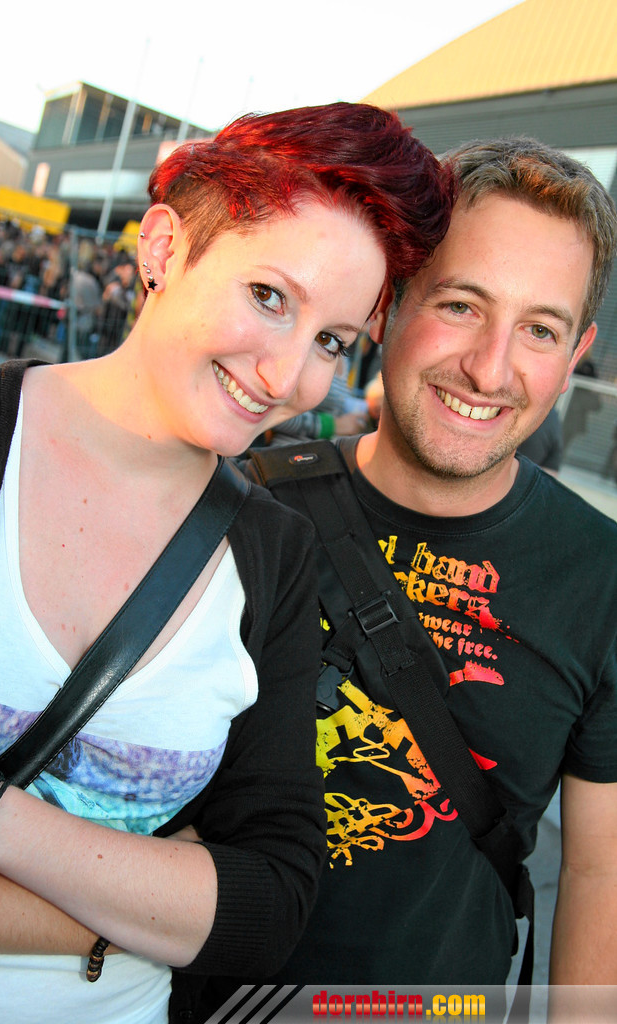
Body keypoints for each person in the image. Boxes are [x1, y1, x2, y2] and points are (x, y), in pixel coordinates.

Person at [0, 101, 453, 1024]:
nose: (287, 379)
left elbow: (270, 901)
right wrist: (150, 911)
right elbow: (225, 910)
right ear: (165, 249)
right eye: (269, 297)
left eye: (331, 342)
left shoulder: (272, 553)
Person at [233, 137, 617, 1004]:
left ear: (574, 354)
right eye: (459, 305)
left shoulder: (601, 580)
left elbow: (599, 874)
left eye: (539, 330)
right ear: (387, 303)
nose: (489, 368)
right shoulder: (244, 506)